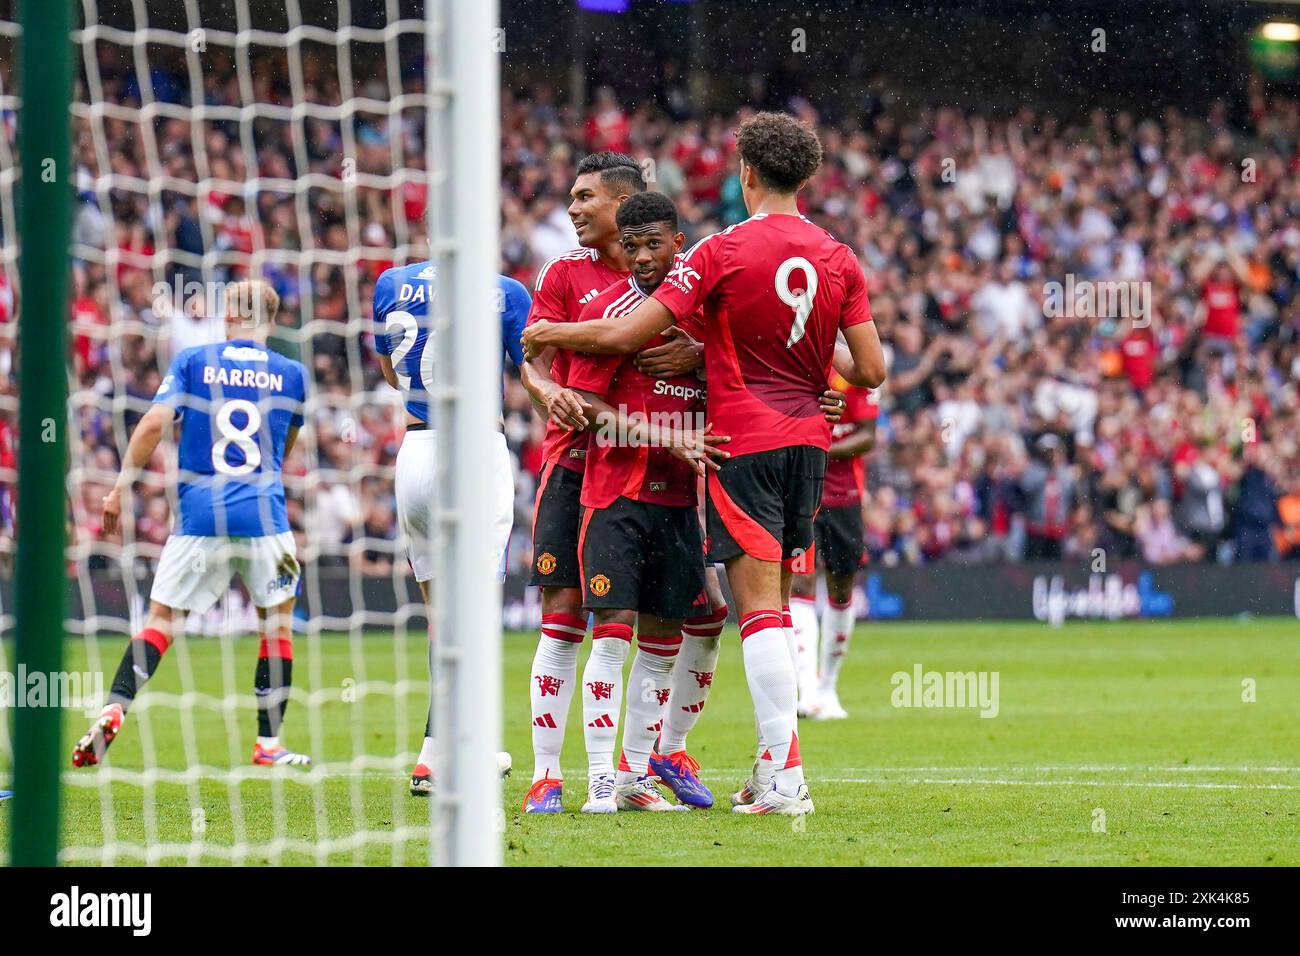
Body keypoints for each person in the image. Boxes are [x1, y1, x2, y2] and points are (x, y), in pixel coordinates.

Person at [524, 112, 887, 816]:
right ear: (806, 176)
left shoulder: (720, 252)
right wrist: (807, 371)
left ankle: (783, 780)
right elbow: (866, 369)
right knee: (773, 608)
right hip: (808, 443)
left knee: (754, 615)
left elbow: (628, 330)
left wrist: (548, 333)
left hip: (741, 442)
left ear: (746, 173)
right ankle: (760, 771)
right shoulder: (838, 255)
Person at [75, 280, 311, 768]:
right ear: (270, 320)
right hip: (264, 514)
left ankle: (116, 705)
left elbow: (154, 424)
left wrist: (121, 486)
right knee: (277, 628)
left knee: (161, 623)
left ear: (229, 316)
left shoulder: (195, 362)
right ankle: (268, 745)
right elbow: (285, 444)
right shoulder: (292, 374)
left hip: (201, 513)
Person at [373, 261, 528, 794]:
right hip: (475, 448)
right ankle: (450, 749)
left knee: (442, 618)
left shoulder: (391, 283)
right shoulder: (503, 289)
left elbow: (392, 373)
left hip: (414, 453)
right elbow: (532, 369)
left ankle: (440, 751)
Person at [789, 374, 878, 720]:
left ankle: (828, 687)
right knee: (800, 583)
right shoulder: (801, 361)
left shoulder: (860, 371)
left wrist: (817, 447)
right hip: (801, 492)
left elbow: (867, 437)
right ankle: (807, 690)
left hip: (845, 497)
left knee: (841, 587)